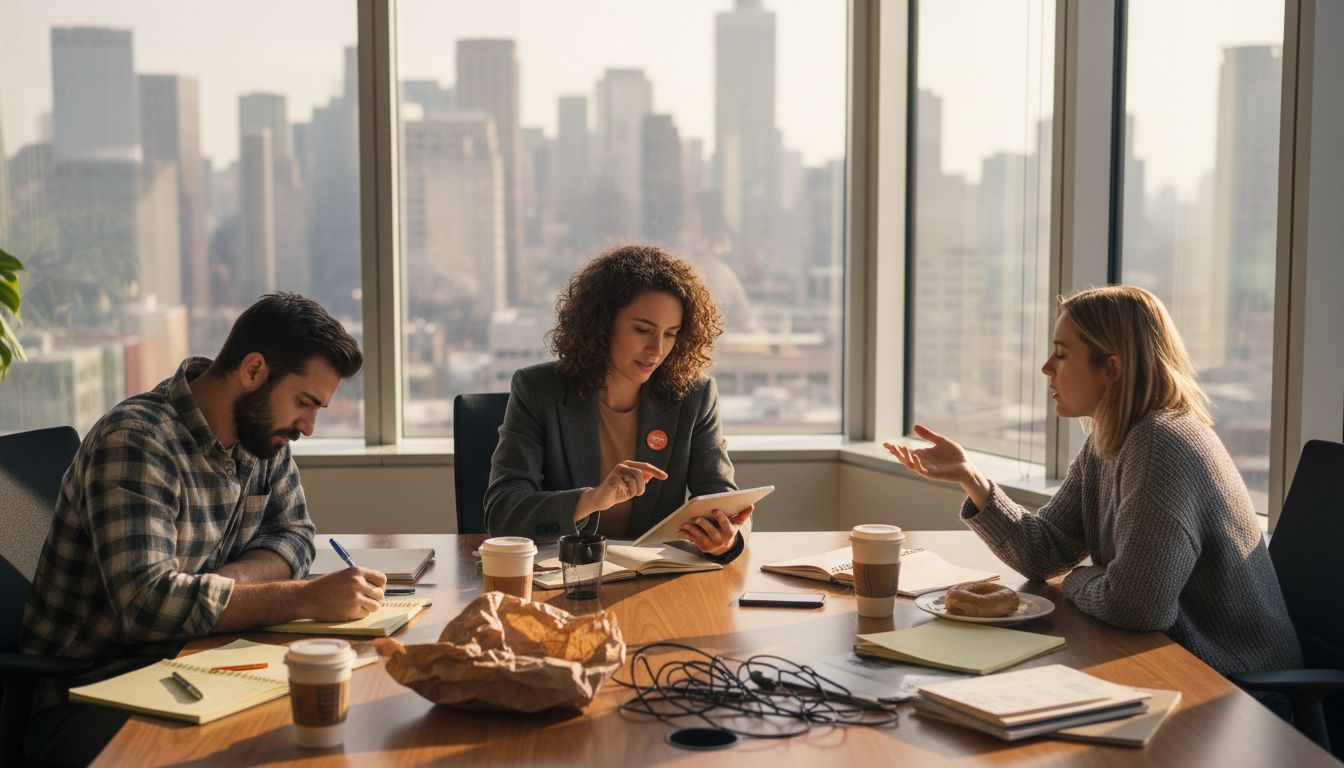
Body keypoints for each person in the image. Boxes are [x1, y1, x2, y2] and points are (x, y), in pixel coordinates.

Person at [20, 293, 383, 765]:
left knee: (325, 728)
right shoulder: (136, 440)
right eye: (304, 402)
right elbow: (148, 605)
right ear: (253, 370)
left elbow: (295, 536)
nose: (308, 427)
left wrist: (222, 585)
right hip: (93, 694)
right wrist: (301, 598)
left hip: (196, 666)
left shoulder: (261, 435)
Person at [885, 285, 1300, 678]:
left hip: (1240, 688)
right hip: (1170, 660)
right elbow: (1045, 553)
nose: (1046, 368)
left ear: (1112, 368)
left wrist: (1077, 578)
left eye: (1061, 355)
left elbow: (1136, 607)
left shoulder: (1161, 444)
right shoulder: (1112, 438)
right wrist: (970, 476)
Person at [485, 244, 751, 561]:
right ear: (601, 323)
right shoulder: (538, 390)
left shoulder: (695, 395)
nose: (657, 349)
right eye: (642, 330)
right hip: (567, 575)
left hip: (654, 576)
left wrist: (726, 538)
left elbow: (724, 499)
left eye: (671, 334)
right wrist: (592, 499)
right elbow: (503, 514)